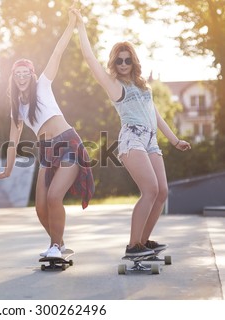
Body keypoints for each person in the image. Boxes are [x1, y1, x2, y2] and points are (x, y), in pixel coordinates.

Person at [73, 9, 191, 256]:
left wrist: (174, 139)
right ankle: (132, 246)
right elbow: (89, 57)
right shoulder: (113, 84)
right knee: (149, 190)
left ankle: (144, 242)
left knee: (162, 193)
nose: (124, 64)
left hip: (150, 140)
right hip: (132, 139)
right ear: (114, 63)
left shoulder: (142, 85)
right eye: (119, 60)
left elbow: (155, 114)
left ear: (134, 61)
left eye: (128, 60)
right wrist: (81, 26)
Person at [0, 4, 95, 259]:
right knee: (40, 207)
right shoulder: (17, 109)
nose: (22, 77)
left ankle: (55, 247)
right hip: (46, 151)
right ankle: (57, 245)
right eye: (18, 74)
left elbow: (58, 51)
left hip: (68, 143)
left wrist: (72, 24)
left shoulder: (44, 85)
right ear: (13, 79)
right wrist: (8, 169)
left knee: (53, 196)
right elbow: (13, 142)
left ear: (32, 75)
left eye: (26, 73)